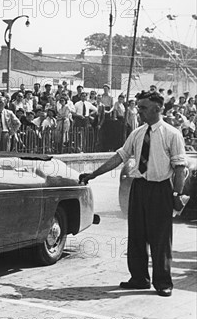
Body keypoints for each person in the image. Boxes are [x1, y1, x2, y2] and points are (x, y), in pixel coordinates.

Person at [79, 91, 186, 297]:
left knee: (160, 238)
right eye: (139, 107)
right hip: (139, 187)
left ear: (157, 109)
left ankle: (163, 282)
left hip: (161, 189)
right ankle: (139, 278)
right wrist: (93, 174)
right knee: (136, 235)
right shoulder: (137, 133)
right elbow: (119, 157)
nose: (139, 111)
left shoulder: (172, 134)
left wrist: (177, 195)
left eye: (143, 108)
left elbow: (180, 168)